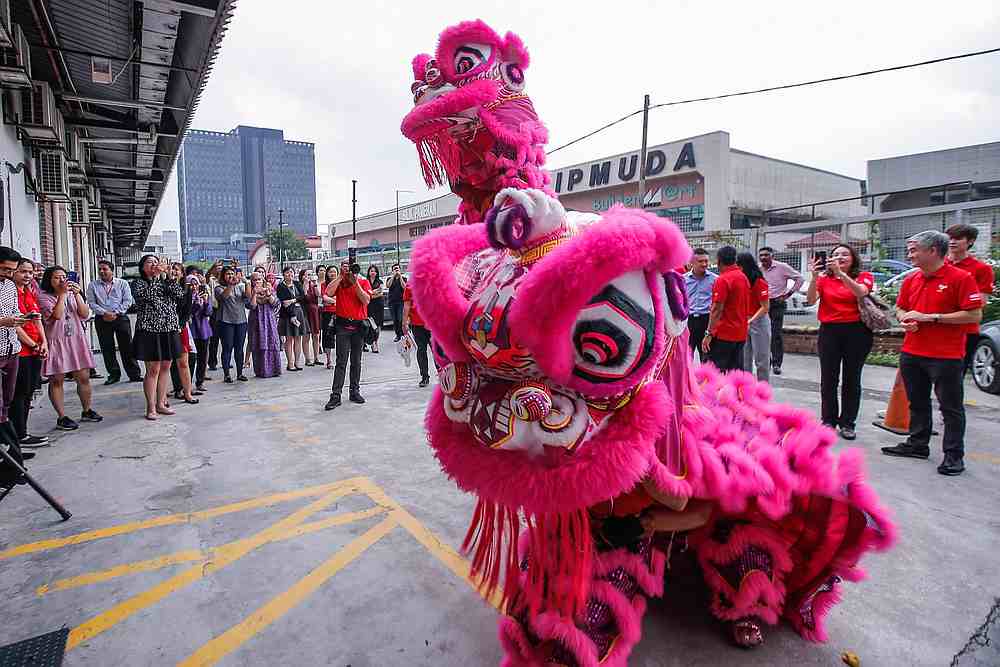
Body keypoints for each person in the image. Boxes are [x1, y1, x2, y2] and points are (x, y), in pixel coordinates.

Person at [882, 230, 983, 476]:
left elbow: (974, 314)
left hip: (945, 355)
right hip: (912, 351)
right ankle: (918, 444)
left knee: (950, 407)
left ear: (933, 251)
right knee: (916, 401)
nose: (910, 254)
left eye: (914, 250)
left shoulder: (961, 278)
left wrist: (931, 318)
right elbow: (901, 307)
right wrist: (904, 317)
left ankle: (953, 455)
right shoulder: (912, 279)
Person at [805, 244, 874, 441]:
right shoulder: (824, 279)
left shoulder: (863, 276)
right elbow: (810, 301)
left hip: (857, 332)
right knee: (828, 379)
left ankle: (848, 423)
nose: (839, 257)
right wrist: (814, 277)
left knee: (851, 379)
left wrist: (841, 275)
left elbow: (861, 292)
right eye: (835, 255)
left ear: (853, 258)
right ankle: (828, 420)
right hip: (830, 332)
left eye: (844, 254)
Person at [37, 265, 103, 430]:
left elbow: (85, 314)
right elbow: (57, 316)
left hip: (76, 340)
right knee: (57, 379)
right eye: (56, 278)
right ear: (48, 281)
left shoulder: (71, 294)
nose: (61, 280)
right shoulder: (43, 297)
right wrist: (62, 295)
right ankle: (62, 416)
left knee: (83, 377)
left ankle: (87, 410)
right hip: (56, 341)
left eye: (63, 277)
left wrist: (77, 295)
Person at [130, 255, 184, 420]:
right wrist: (155, 277)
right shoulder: (139, 283)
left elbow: (179, 294)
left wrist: (168, 277)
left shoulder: (164, 282)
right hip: (149, 330)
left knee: (166, 366)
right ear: (142, 267)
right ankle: (151, 406)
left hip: (168, 328)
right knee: (152, 369)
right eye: (150, 262)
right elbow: (146, 296)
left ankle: (161, 403)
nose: (154, 264)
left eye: (156, 261)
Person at [944, 223, 995, 378]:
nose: (952, 241)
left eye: (958, 238)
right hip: (936, 328)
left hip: (964, 330)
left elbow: (981, 302)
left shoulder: (981, 269)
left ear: (970, 241)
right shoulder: (939, 265)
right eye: (950, 238)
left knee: (954, 375)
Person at [86, 259, 142, 385]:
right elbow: (92, 303)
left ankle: (134, 373)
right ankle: (113, 374)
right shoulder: (93, 285)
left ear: (111, 270)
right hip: (102, 318)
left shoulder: (122, 283)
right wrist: (104, 313)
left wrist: (115, 313)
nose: (101, 271)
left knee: (127, 346)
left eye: (105, 269)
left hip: (120, 317)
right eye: (100, 269)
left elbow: (127, 301)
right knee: (107, 347)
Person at [324, 261, 371, 410]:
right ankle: (336, 395)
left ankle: (354, 391)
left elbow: (365, 300)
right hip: (342, 326)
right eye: (344, 265)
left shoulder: (363, 281)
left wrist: (354, 281)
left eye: (349, 266)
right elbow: (328, 293)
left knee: (356, 361)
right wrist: (340, 276)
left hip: (358, 327)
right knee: (341, 361)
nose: (347, 268)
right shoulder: (340, 282)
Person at [11, 258, 47, 447]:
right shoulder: (9, 294)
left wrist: (44, 343)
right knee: (20, 392)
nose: (27, 276)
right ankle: (19, 435)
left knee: (30, 391)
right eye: (23, 271)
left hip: (35, 349)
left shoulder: (29, 292)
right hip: (21, 350)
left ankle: (22, 432)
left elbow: (37, 319)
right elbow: (15, 325)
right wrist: (33, 344)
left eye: (30, 272)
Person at [701, 246, 750, 373]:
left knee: (714, 372)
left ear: (719, 261)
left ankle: (715, 393)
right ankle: (737, 393)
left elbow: (717, 309)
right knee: (735, 373)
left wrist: (708, 334)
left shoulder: (723, 280)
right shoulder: (743, 277)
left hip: (724, 334)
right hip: (740, 333)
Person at [758, 247, 803, 376]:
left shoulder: (782, 267)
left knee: (775, 333)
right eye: (761, 255)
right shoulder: (759, 269)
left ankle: (777, 364)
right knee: (763, 334)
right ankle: (767, 361)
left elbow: (799, 279)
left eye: (766, 255)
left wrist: (788, 294)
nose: (763, 258)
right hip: (762, 303)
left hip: (777, 302)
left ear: (772, 256)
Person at [0, 248, 29, 439]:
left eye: (11, 271)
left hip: (12, 350)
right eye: (3, 269)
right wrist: (3, 322)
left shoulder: (10, 286)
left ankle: (11, 446)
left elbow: (15, 312)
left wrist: (24, 318)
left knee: (8, 399)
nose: (7, 274)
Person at [167, 264, 200, 404]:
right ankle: (167, 394)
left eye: (177, 270)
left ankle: (187, 392)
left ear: (182, 273)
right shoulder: (164, 286)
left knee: (184, 362)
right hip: (164, 328)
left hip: (180, 328)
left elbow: (187, 311)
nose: (174, 272)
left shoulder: (186, 288)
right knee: (165, 363)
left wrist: (179, 326)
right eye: (172, 269)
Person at [737, 251, 771, 382]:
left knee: (761, 360)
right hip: (745, 321)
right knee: (745, 361)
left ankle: (763, 391)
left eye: (738, 265)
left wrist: (751, 320)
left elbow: (765, 307)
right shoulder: (741, 281)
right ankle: (747, 390)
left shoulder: (759, 282)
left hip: (759, 321)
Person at [214, 266, 249, 383]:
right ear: (223, 276)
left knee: (239, 348)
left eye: (232, 273)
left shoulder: (240, 287)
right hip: (226, 321)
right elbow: (224, 296)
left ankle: (240, 373)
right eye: (228, 274)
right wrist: (231, 285)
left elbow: (248, 296)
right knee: (227, 348)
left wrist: (246, 282)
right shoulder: (219, 288)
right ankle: (227, 374)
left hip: (241, 321)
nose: (230, 276)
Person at [683, 248, 717, 362]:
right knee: (687, 357)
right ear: (692, 262)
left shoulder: (715, 279)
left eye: (706, 261)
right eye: (701, 261)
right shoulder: (683, 280)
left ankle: (705, 380)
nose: (704, 264)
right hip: (689, 321)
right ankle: (689, 380)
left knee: (707, 357)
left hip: (706, 321)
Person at [246, 273, 282, 378]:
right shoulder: (249, 291)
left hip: (269, 320)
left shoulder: (269, 289)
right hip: (256, 321)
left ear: (263, 280)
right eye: (254, 280)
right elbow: (251, 306)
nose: (257, 281)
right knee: (257, 343)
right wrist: (254, 294)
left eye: (259, 279)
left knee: (272, 342)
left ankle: (275, 369)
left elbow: (275, 303)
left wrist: (268, 293)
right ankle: (261, 371)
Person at [277, 266, 309, 372]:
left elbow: (303, 297)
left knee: (298, 338)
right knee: (289, 339)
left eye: (291, 272)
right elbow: (284, 302)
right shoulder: (281, 286)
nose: (289, 274)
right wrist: (291, 314)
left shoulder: (297, 284)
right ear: (283, 274)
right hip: (287, 315)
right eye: (287, 272)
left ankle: (297, 362)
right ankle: (290, 363)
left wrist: (292, 300)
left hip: (299, 312)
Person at [402, 277, 432, 387]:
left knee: (430, 350)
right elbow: (407, 305)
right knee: (426, 350)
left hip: (430, 323)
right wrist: (404, 322)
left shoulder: (433, 281)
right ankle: (428, 376)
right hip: (420, 323)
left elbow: (407, 305)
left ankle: (434, 376)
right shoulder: (411, 284)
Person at [187, 268, 213, 392]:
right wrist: (196, 303)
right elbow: (189, 312)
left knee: (203, 358)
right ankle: (187, 385)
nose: (194, 286)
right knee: (191, 360)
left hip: (203, 330)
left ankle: (200, 382)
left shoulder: (203, 295)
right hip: (191, 332)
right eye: (191, 284)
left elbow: (208, 312)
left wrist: (206, 302)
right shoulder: (185, 298)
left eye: (196, 283)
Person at [300, 268, 323, 365]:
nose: (309, 276)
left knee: (316, 335)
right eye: (307, 274)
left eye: (310, 274)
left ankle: (316, 357)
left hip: (315, 310)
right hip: (305, 310)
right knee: (306, 335)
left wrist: (315, 284)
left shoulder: (314, 284)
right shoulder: (300, 285)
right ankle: (307, 358)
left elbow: (319, 295)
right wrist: (305, 284)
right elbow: (305, 296)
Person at [205, 260, 223, 371]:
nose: (219, 270)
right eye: (217, 268)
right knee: (214, 338)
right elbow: (206, 277)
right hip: (215, 310)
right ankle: (212, 362)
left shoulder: (226, 281)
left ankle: (225, 360)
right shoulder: (212, 280)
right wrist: (212, 266)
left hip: (226, 310)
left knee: (225, 338)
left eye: (221, 268)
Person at [320, 268, 337, 369]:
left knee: (341, 336)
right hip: (327, 313)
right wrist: (335, 300)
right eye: (330, 272)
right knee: (327, 337)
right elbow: (324, 298)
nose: (332, 273)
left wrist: (331, 300)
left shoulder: (341, 284)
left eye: (334, 271)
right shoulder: (324, 285)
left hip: (340, 312)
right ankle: (329, 360)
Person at [366, 266, 385, 353]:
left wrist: (370, 294)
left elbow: (381, 293)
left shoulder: (380, 282)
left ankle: (375, 342)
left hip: (378, 306)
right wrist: (374, 293)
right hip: (369, 306)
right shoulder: (366, 282)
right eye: (371, 271)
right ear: (368, 272)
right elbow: (365, 292)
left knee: (377, 325)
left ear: (377, 273)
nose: (373, 272)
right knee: (369, 325)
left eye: (374, 271)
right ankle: (368, 342)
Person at [386, 264, 407, 342]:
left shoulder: (404, 278)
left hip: (401, 302)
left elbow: (405, 287)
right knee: (394, 320)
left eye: (397, 269)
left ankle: (402, 334)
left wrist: (400, 276)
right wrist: (393, 276)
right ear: (392, 271)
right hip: (392, 302)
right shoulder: (390, 278)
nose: (396, 270)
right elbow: (388, 285)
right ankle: (397, 335)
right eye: (395, 269)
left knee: (400, 318)